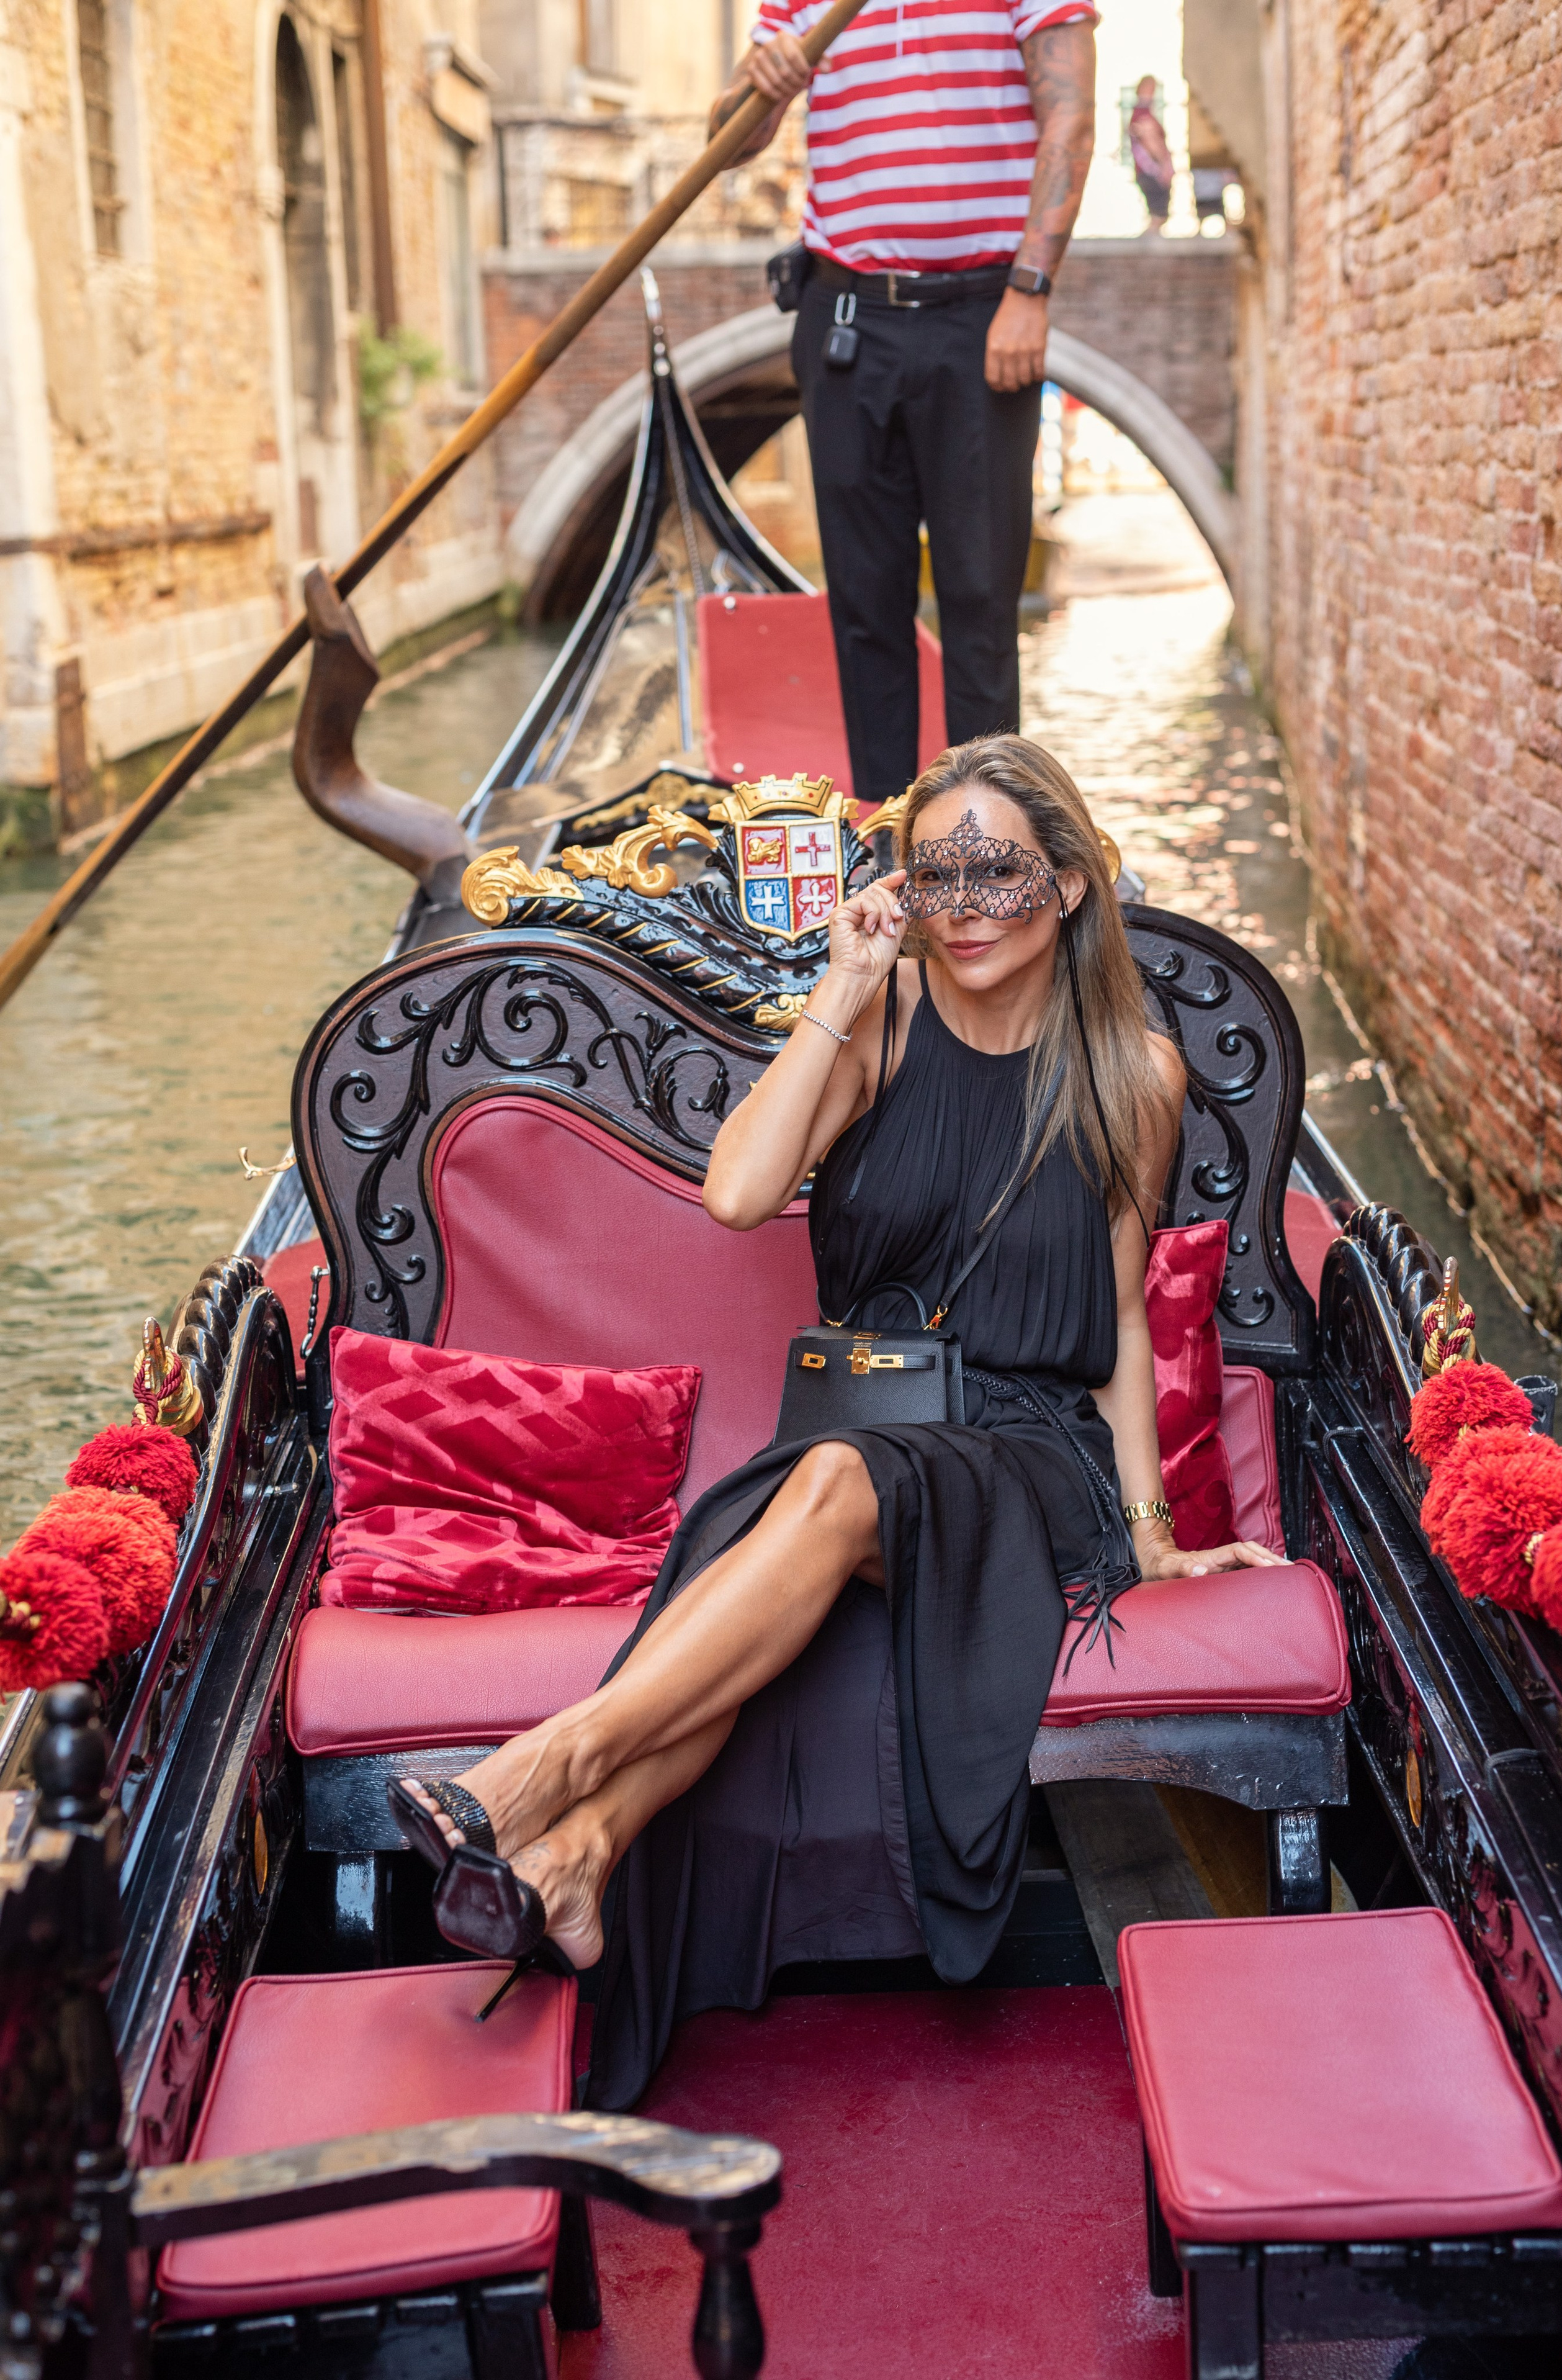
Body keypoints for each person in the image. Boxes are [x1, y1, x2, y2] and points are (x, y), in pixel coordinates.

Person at [391, 733, 1282, 2109]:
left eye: (998, 868)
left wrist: (1153, 1538)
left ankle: (544, 1773)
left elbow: (1112, 1323)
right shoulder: (881, 1017)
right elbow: (743, 1194)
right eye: (936, 872)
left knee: (820, 1499)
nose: (967, 901)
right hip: (865, 1428)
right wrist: (841, 980)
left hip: (1028, 1461)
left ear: (1067, 882)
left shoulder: (1136, 1077)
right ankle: (573, 1854)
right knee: (783, 1518)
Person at [702, 3, 1101, 810]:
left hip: (983, 314)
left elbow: (1071, 112)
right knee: (864, 598)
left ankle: (986, 836)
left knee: (981, 600)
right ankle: (891, 838)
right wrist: (761, 83)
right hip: (845, 316)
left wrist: (1030, 288)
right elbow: (727, 145)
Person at [1129, 76, 1175, 233]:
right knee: (1158, 216)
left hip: (1150, 171)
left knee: (1158, 216)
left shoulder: (1143, 114)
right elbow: (1151, 143)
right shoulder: (1142, 115)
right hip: (1151, 171)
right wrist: (1163, 167)